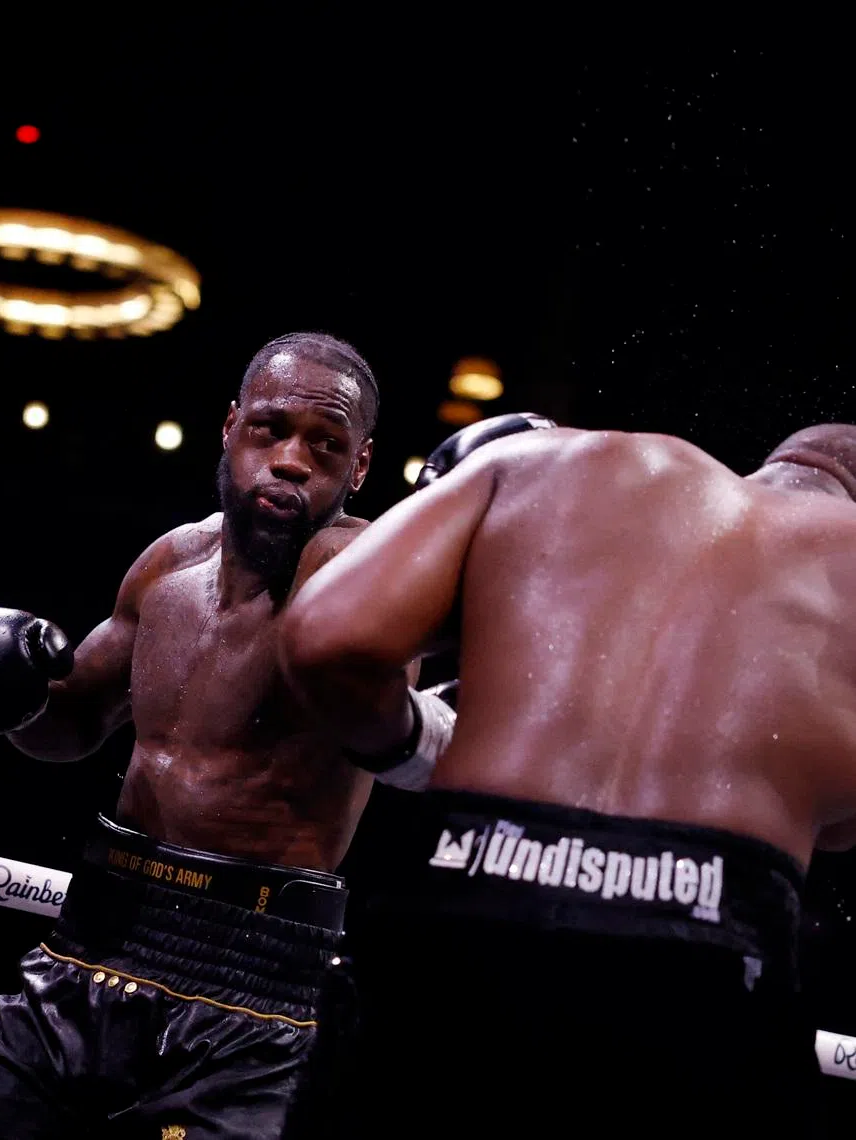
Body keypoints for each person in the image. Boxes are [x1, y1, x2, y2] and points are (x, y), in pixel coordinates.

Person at [0, 331, 456, 1140]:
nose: (291, 461)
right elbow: (74, 724)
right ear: (230, 427)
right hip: (94, 938)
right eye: (271, 429)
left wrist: (509, 501)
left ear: (360, 467)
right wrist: (13, 696)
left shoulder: (361, 574)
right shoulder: (168, 566)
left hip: (254, 980)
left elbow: (452, 598)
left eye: (325, 445)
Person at [279, 417, 856, 1132]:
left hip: (471, 883)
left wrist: (417, 746)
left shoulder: (546, 459)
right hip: (708, 939)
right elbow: (840, 827)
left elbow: (323, 639)